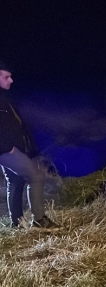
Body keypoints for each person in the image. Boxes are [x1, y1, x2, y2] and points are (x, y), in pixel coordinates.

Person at [0, 60, 60, 231]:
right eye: (6, 77)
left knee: (15, 181)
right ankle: (39, 221)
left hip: (11, 148)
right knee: (36, 176)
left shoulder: (5, 97)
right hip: (6, 150)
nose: (11, 80)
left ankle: (16, 223)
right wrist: (7, 148)